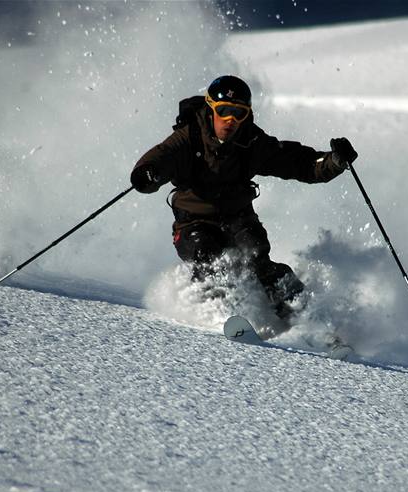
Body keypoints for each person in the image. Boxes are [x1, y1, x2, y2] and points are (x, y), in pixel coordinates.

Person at [131, 75, 357, 324]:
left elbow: (297, 162)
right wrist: (148, 174)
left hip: (238, 218)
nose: (230, 120)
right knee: (206, 255)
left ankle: (305, 319)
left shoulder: (250, 142)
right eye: (224, 111)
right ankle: (219, 315)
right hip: (193, 222)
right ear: (210, 109)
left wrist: (334, 162)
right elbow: (161, 158)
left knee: (257, 260)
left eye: (238, 113)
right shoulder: (189, 137)